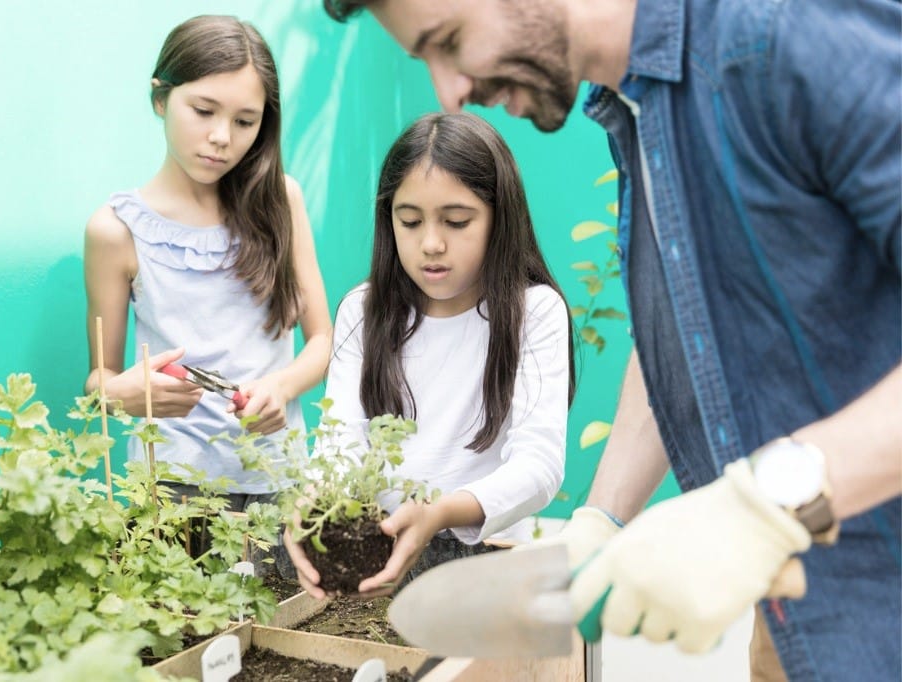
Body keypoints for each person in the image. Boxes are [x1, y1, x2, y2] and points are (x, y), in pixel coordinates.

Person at [320, 1, 902, 680]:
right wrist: (600, 520)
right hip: (804, 611)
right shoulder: (638, 113)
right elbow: (693, 335)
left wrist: (773, 499)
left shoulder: (780, 35)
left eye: (449, 42)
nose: (449, 91)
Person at [285, 111, 575, 598]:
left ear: (499, 219)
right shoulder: (364, 309)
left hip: (492, 568)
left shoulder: (534, 311)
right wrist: (312, 504)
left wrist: (440, 512)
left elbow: (540, 466)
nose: (431, 243)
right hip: (378, 564)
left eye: (457, 221)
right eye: (410, 221)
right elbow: (339, 445)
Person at [83, 15, 333, 516]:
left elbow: (323, 341)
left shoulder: (282, 201)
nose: (222, 137)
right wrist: (123, 393)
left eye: (245, 121)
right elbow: (98, 380)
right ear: (161, 98)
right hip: (168, 488)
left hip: (277, 480)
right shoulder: (115, 230)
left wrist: (280, 386)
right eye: (203, 110)